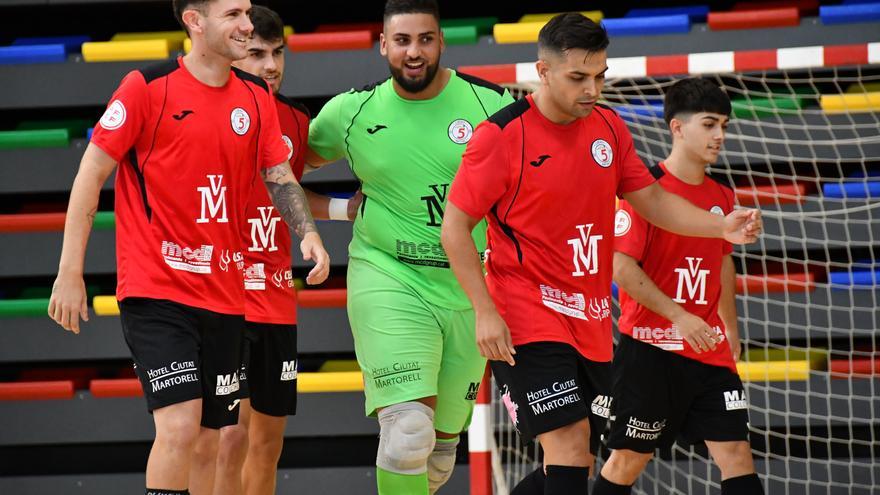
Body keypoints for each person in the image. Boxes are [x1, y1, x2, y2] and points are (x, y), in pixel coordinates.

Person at [441, 13, 761, 495]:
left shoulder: (609, 128)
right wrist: (484, 312)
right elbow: (455, 228)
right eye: (578, 77)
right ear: (543, 72)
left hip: (589, 321)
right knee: (569, 444)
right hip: (525, 314)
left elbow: (651, 200)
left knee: (575, 458)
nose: (593, 89)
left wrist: (722, 226)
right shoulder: (501, 136)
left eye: (600, 76)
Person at [47, 1, 329, 494]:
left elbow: (279, 175)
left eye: (246, 11)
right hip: (157, 290)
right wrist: (69, 271)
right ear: (195, 21)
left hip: (225, 294)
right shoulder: (146, 88)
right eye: (233, 15)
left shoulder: (255, 100)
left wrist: (306, 231)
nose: (246, 24)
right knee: (178, 429)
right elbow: (91, 173)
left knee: (209, 438)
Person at [305, 1, 514, 492]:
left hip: (469, 290)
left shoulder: (491, 105)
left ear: (441, 41)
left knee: (438, 456)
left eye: (425, 39)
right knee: (407, 435)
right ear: (383, 45)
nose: (414, 51)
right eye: (402, 41)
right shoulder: (351, 113)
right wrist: (338, 210)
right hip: (389, 275)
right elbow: (278, 176)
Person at [207, 6, 359, 495]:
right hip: (222, 292)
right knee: (229, 436)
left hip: (275, 296)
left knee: (267, 442)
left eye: (277, 53)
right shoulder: (208, 110)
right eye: (257, 53)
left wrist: (341, 210)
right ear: (234, 52)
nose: (271, 65)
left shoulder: (294, 120)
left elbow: (286, 189)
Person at [592, 78, 765, 495]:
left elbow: (722, 262)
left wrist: (730, 328)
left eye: (724, 124)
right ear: (677, 128)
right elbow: (619, 265)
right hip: (650, 351)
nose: (720, 135)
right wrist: (679, 316)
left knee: (737, 455)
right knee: (629, 461)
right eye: (709, 124)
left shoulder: (723, 196)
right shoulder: (644, 193)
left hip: (709, 352)